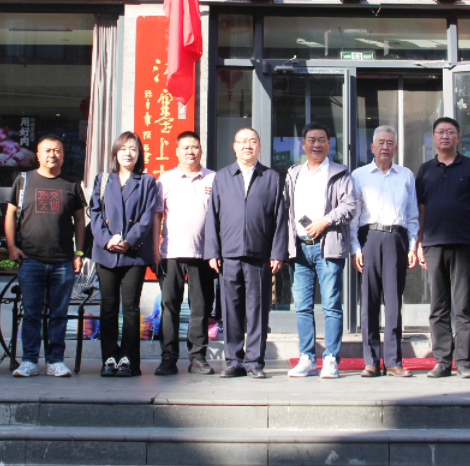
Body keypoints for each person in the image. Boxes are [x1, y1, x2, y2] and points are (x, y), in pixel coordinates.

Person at [205, 127, 287, 379]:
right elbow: (212, 217)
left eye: (252, 141)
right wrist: (212, 251)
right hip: (228, 255)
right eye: (242, 141)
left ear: (259, 146)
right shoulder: (221, 177)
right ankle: (233, 360)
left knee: (258, 310)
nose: (247, 146)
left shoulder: (271, 177)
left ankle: (254, 361)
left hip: (259, 255)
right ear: (234, 147)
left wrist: (277, 252)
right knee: (230, 309)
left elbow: (280, 218)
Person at [5, 136, 86, 378]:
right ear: (38, 155)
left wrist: (79, 252)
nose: (53, 155)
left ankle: (55, 361)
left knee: (59, 314)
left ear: (63, 155)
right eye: (48, 150)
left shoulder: (71, 184)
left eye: (57, 150)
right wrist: (11, 246)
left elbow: (80, 221)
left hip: (63, 261)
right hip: (31, 259)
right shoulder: (23, 180)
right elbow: (10, 214)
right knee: (31, 314)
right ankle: (29, 360)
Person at [415, 117, 470, 379]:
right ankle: (442, 361)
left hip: (464, 244)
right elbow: (421, 211)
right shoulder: (425, 170)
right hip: (434, 245)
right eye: (440, 132)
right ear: (433, 137)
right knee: (438, 307)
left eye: (450, 132)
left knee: (464, 306)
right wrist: (419, 243)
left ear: (458, 136)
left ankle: (465, 362)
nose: (445, 136)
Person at [284, 122, 356, 379]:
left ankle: (331, 359)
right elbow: (288, 209)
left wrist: (325, 221)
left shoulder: (340, 173)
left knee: (332, 306)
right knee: (302, 306)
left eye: (322, 140)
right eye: (312, 140)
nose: (317, 144)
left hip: (329, 247)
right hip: (300, 248)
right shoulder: (293, 174)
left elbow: (349, 205)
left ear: (329, 144)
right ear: (303, 144)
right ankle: (307, 357)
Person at [350, 126, 419, 378]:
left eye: (390, 143)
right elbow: (353, 217)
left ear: (396, 148)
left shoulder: (406, 175)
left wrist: (412, 245)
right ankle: (371, 361)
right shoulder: (359, 175)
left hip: (396, 239)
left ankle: (393, 361)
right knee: (369, 302)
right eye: (381, 142)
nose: (385, 147)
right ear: (372, 147)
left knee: (393, 303)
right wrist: (355, 248)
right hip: (369, 237)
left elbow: (412, 215)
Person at [90, 131, 160, 378]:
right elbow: (95, 213)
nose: (128, 153)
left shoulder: (148, 181)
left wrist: (129, 241)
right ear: (115, 153)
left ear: (139, 153)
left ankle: (129, 360)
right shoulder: (102, 180)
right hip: (106, 252)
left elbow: (147, 216)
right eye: (123, 148)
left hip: (134, 254)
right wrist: (107, 239)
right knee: (108, 307)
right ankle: (109, 357)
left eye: (133, 148)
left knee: (130, 308)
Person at [153, 131, 217, 376]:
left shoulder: (213, 178)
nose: (191, 151)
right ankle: (168, 358)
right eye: (186, 147)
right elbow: (157, 216)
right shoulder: (165, 180)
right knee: (170, 307)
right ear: (177, 152)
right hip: (171, 253)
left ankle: (197, 357)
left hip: (203, 254)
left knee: (200, 307)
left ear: (201, 150)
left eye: (195, 147)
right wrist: (155, 250)